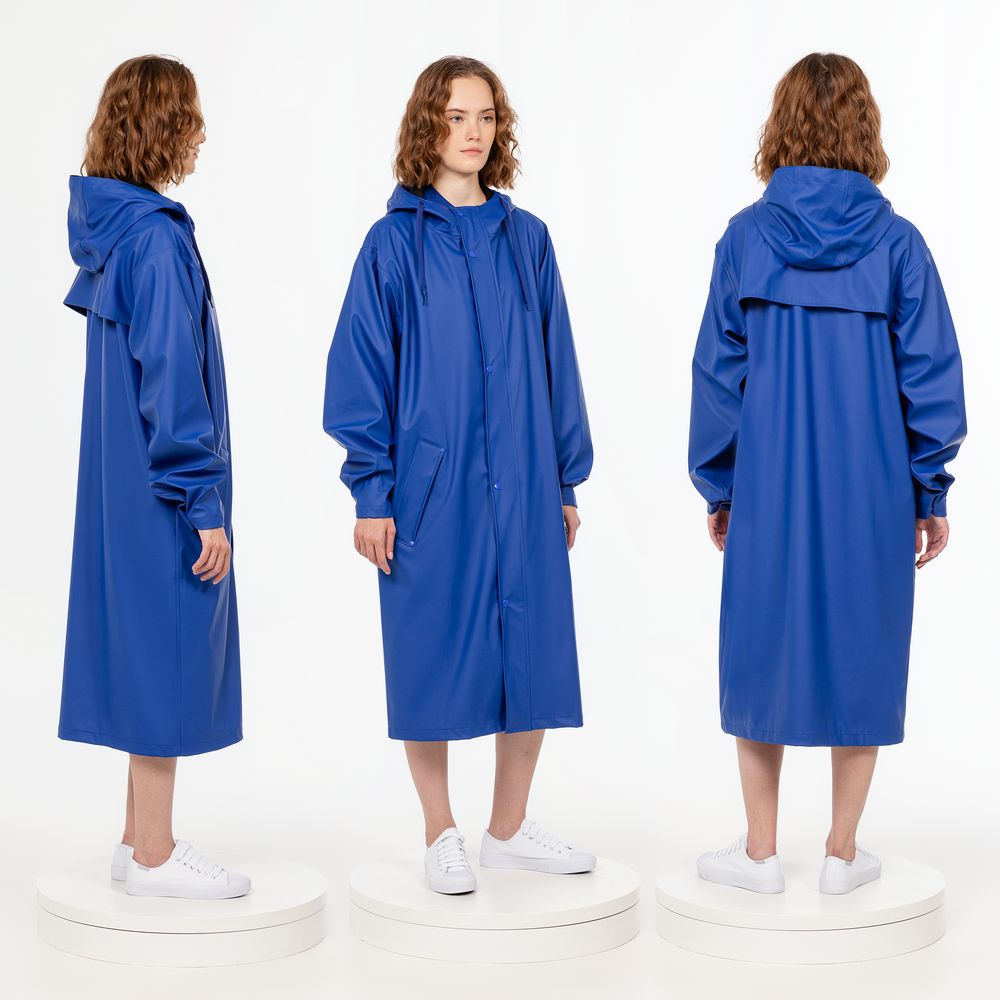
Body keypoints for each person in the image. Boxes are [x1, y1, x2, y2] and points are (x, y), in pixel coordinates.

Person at [688, 53, 967, 895]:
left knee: (758, 646)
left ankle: (760, 853)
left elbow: (718, 377)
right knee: (864, 644)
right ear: (864, 128)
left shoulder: (746, 239)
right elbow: (931, 377)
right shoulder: (898, 244)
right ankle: (842, 854)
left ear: (782, 126)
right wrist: (928, 491)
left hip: (768, 486)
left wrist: (722, 486)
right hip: (872, 489)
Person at [324, 56, 595, 894]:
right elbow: (360, 374)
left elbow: (557, 363)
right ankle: (439, 829)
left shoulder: (527, 239)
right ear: (427, 127)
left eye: (484, 117)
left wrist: (563, 481)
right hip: (430, 493)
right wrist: (373, 491)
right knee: (428, 652)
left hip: (525, 480)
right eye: (454, 117)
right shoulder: (392, 244)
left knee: (533, 651)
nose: (472, 133)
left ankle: (507, 828)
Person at [60, 55, 248, 899]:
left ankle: (135, 839)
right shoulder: (157, 239)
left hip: (120, 486)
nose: (199, 135)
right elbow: (172, 380)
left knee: (138, 647)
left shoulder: (114, 233)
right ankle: (158, 856)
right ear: (162, 127)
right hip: (163, 491)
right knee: (167, 653)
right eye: (189, 119)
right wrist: (203, 502)